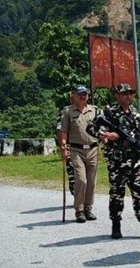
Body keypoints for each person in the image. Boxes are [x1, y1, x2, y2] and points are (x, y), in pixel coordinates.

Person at [97, 83, 140, 239]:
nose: (128, 96)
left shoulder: (135, 114)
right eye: (124, 93)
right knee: (117, 194)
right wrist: (110, 136)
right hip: (116, 161)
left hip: (134, 161)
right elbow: (96, 129)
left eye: (130, 93)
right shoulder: (108, 113)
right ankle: (116, 224)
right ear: (117, 95)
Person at [56, 85, 99, 223]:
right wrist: (63, 144)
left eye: (85, 93)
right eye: (80, 94)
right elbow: (63, 130)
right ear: (73, 95)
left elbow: (102, 128)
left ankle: (88, 209)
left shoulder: (95, 110)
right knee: (81, 180)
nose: (83, 96)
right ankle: (79, 210)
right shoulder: (68, 112)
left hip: (92, 149)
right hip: (76, 150)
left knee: (91, 181)